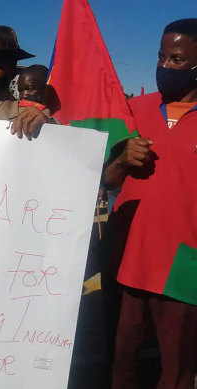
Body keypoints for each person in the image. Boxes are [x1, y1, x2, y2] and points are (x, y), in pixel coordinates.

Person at [102, 18, 197, 389]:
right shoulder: (133, 111)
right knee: (121, 359)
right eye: (161, 57)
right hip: (128, 258)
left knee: (176, 370)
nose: (165, 67)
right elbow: (106, 181)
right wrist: (122, 160)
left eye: (176, 59)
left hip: (184, 263)